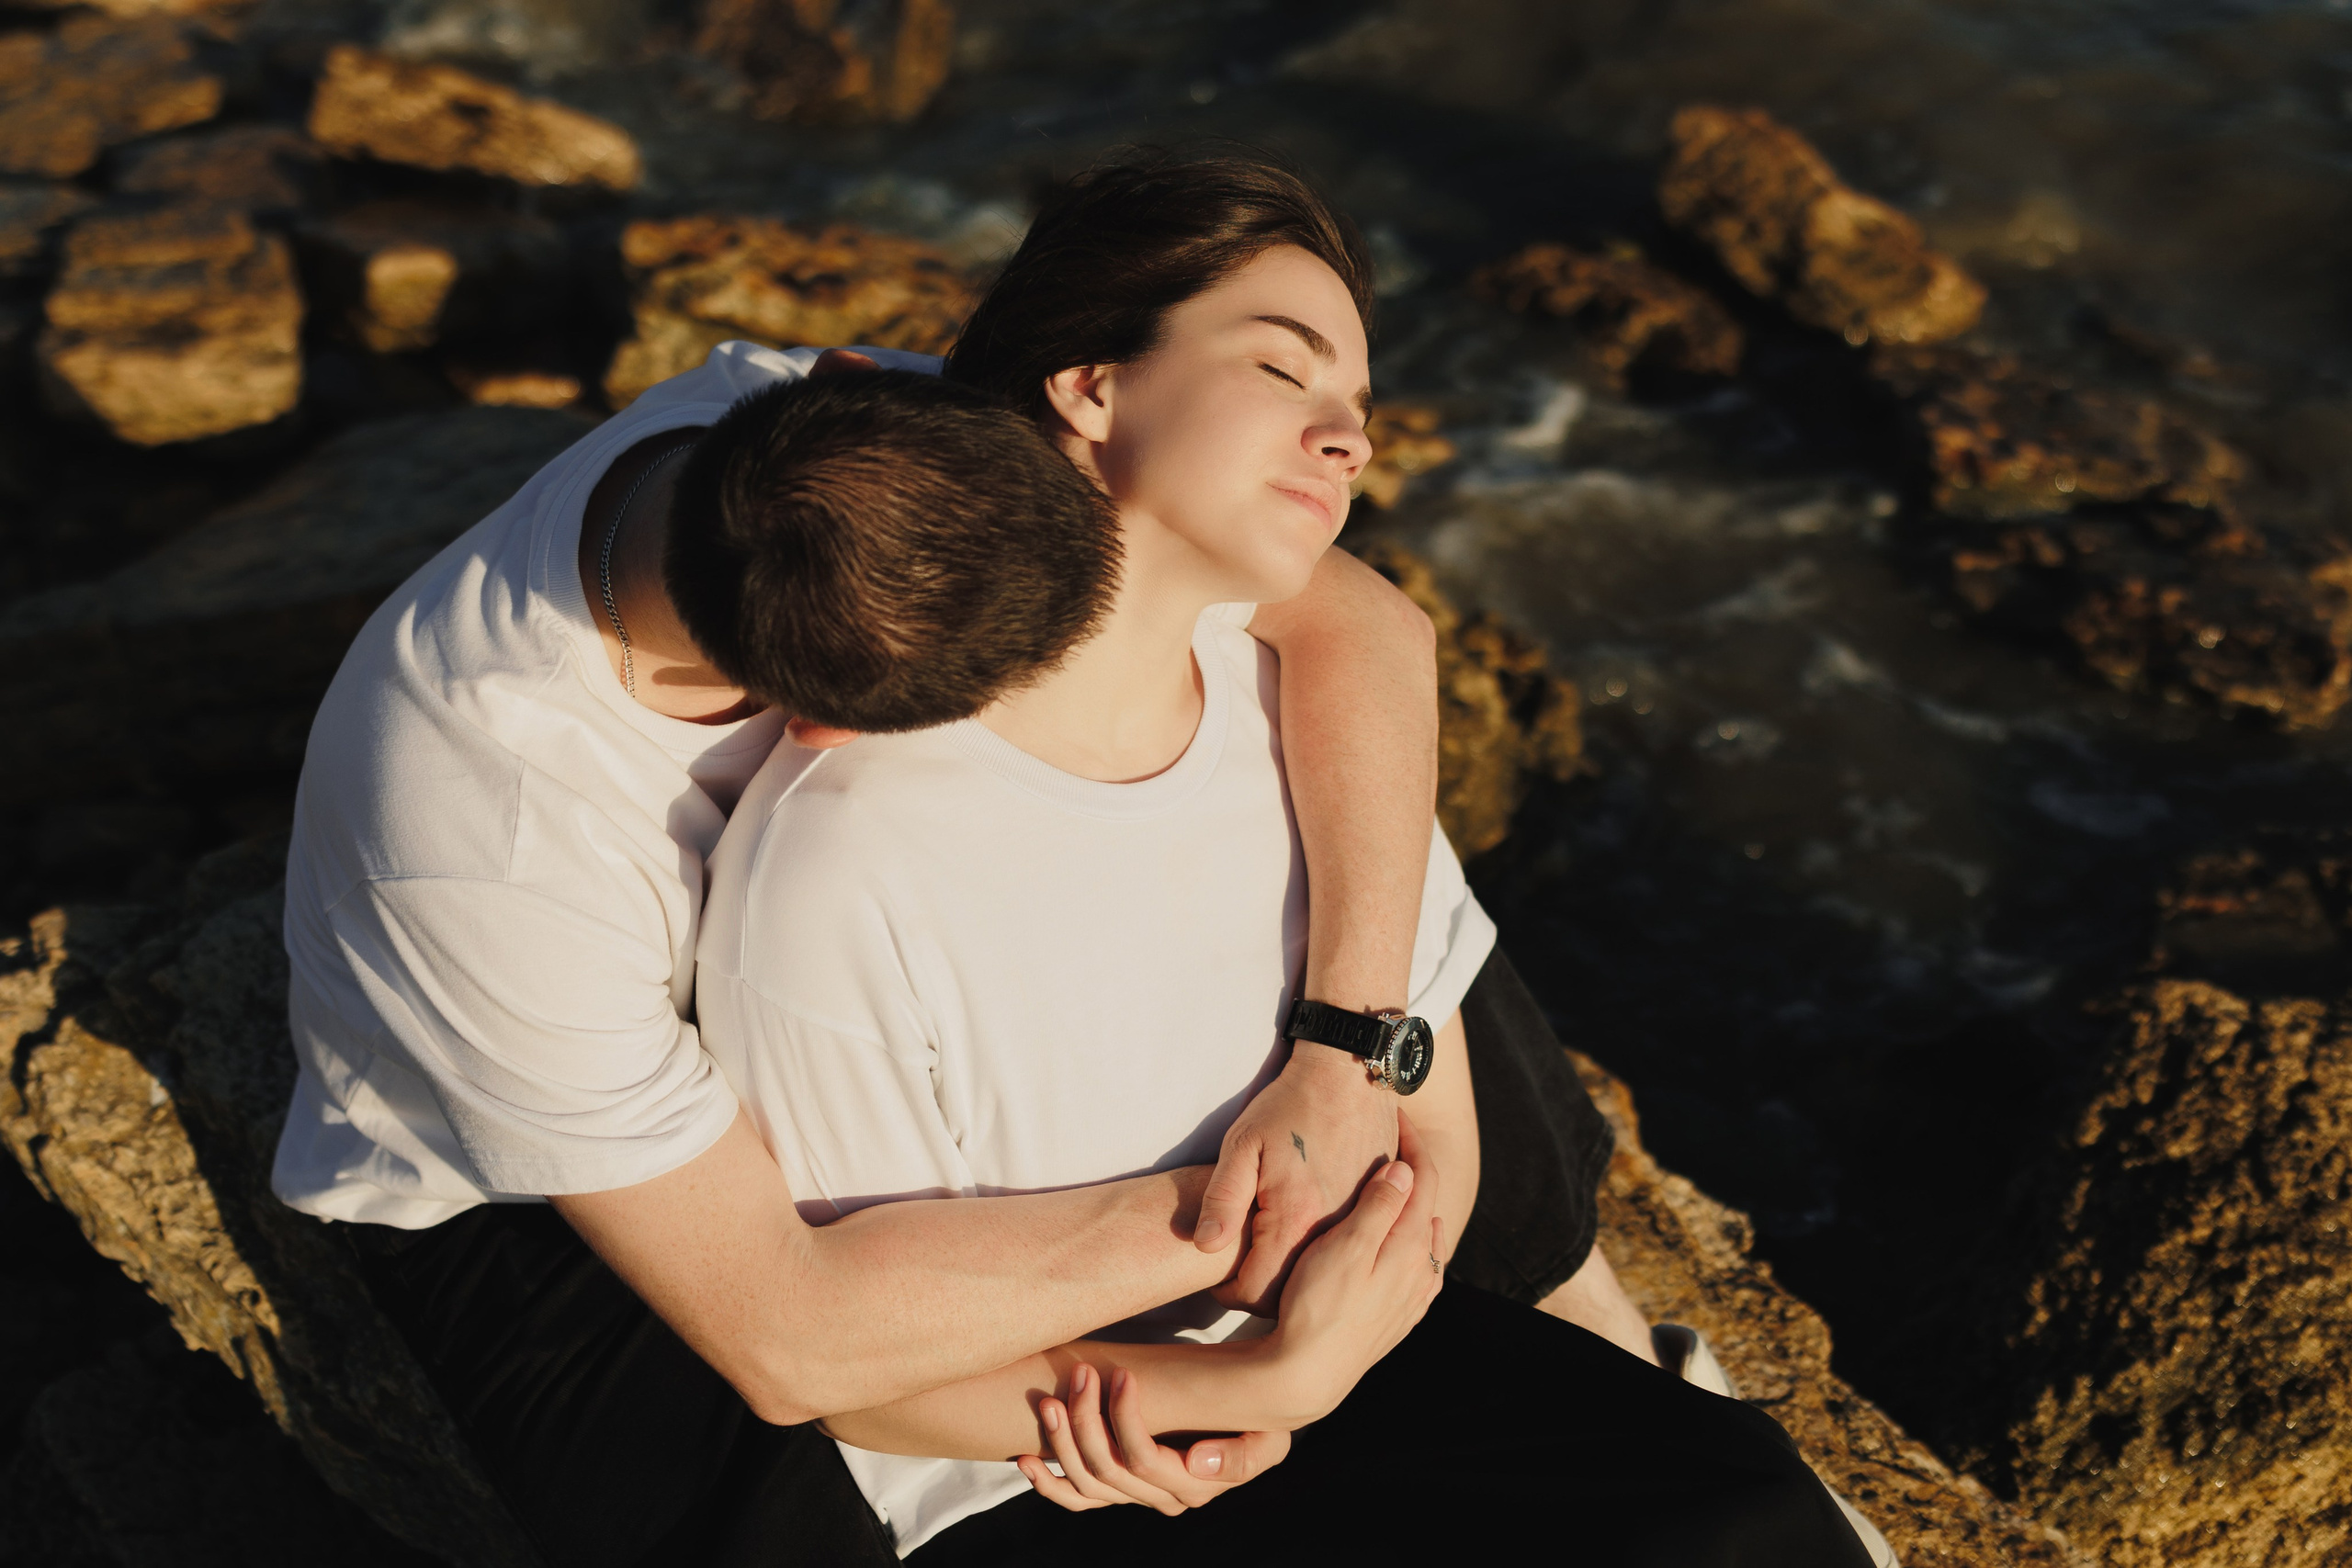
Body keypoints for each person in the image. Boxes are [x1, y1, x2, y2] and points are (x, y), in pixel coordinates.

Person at [265, 171, 1659, 1568]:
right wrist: (1250, 1342)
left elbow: (1350, 622)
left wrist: (1346, 1049)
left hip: (853, 960)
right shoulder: (476, 841)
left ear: (869, 373)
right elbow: (786, 1331)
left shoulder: (844, 436)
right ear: (824, 729)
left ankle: (1587, 1321)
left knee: (1366, 876)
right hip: (543, 1183)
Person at [686, 160, 1878, 1563]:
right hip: (1061, 1471)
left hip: (1370, 1360)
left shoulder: (1298, 720)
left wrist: (1363, 1250)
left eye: (1360, 408)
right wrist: (1256, 1382)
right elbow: (867, 1378)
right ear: (1093, 386)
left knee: (1742, 1509)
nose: (1348, 439)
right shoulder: (850, 856)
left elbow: (1419, 1101)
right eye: (1283, 370)